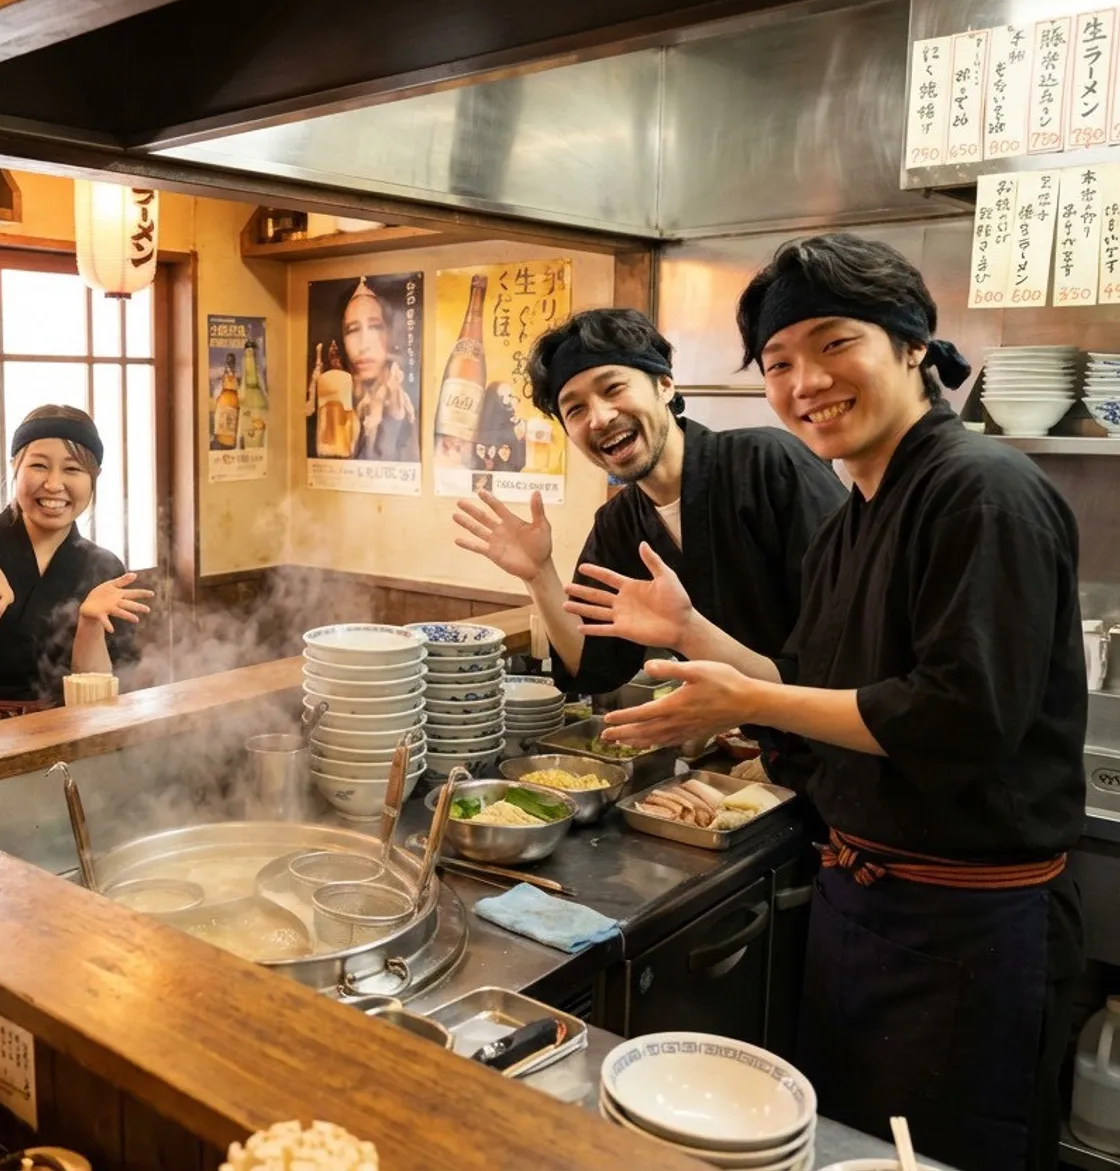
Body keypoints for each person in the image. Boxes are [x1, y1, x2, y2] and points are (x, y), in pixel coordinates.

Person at [574, 235, 1085, 1171]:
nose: (805, 379)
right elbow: (800, 678)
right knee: (854, 1152)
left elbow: (958, 716)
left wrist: (742, 694)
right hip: (862, 908)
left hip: (965, 932)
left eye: (833, 343)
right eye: (778, 362)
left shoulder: (983, 491)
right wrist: (693, 633)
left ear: (912, 345)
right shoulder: (859, 513)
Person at [453, 307, 845, 702]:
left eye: (613, 389)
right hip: (762, 734)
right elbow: (595, 666)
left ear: (664, 386)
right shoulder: (618, 524)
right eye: (575, 409)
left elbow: (852, 629)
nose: (600, 417)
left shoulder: (767, 462)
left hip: (845, 730)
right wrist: (539, 574)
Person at [0, 405, 151, 735]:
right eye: (38, 465)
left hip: (57, 735)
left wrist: (90, 624)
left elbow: (99, 695)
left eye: (72, 469)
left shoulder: (105, 567)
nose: (53, 484)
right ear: (14, 467)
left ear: (94, 478)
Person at [340, 276, 419, 463]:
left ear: (390, 334)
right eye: (352, 330)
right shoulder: (338, 402)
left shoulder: (402, 403)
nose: (364, 344)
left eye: (375, 327)